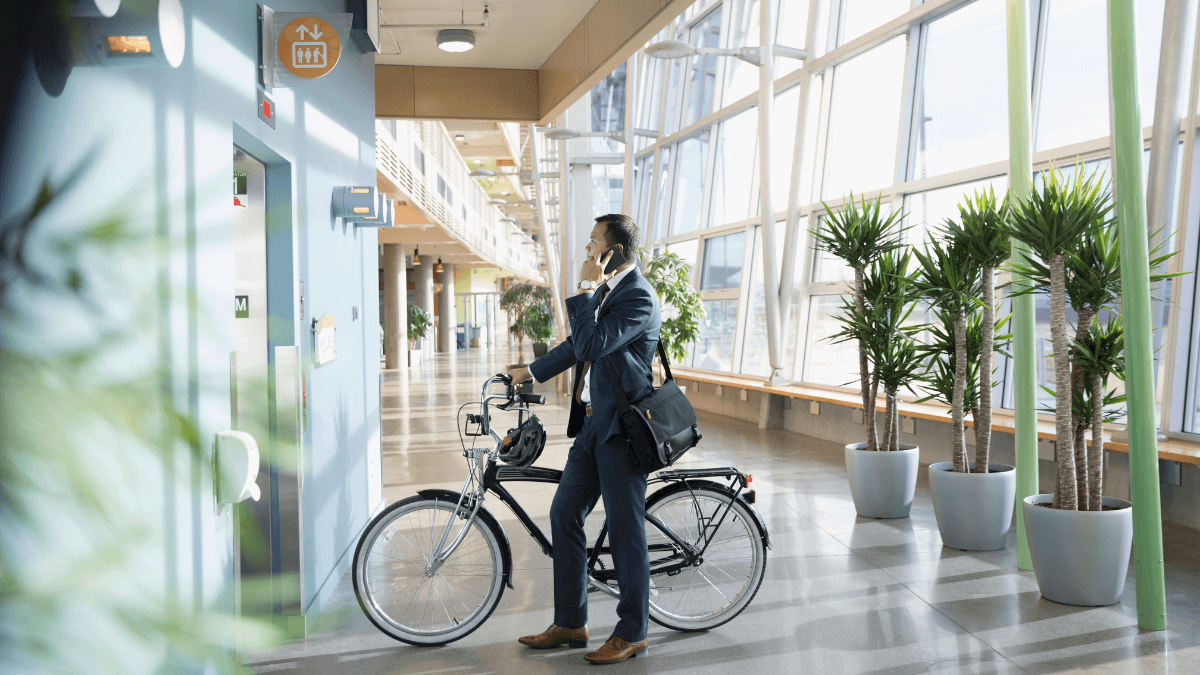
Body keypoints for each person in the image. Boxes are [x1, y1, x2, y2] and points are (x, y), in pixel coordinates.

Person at [507, 214, 660, 664]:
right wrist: (530, 371)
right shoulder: (612, 293)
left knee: (625, 531)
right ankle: (571, 623)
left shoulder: (638, 298)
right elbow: (579, 344)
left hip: (623, 430)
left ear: (613, 251)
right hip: (595, 424)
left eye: (594, 242)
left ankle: (633, 631)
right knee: (565, 512)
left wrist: (585, 290)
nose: (588, 249)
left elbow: (592, 347)